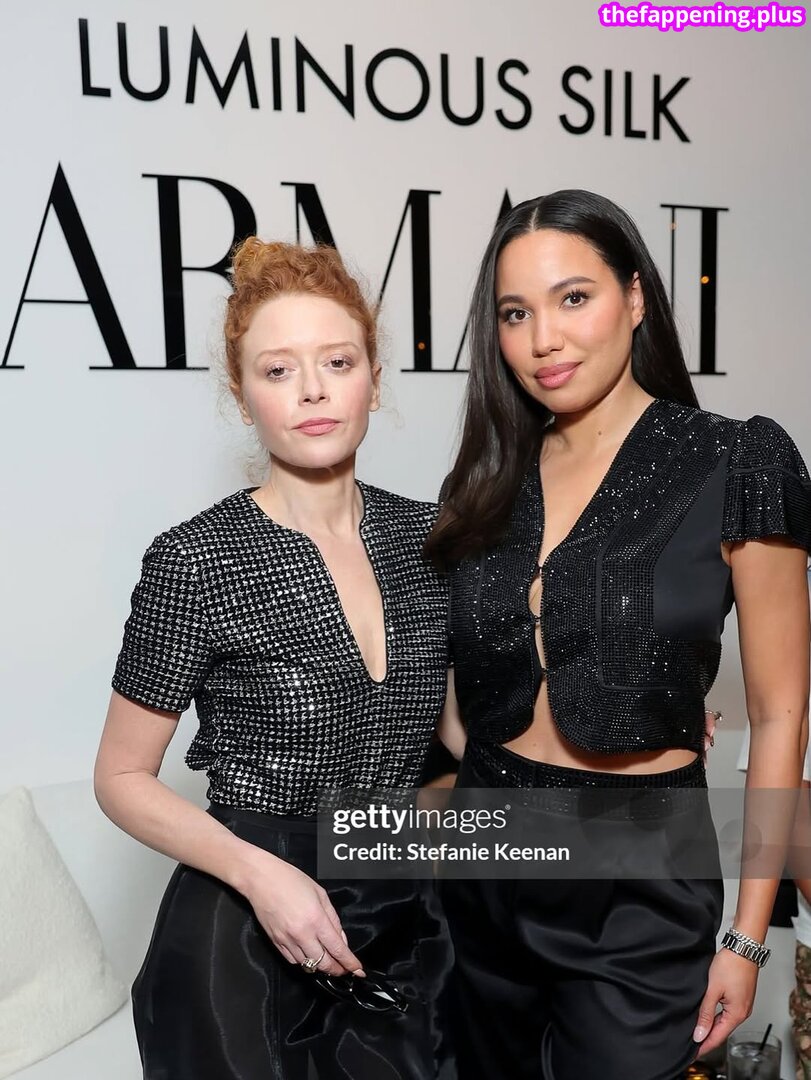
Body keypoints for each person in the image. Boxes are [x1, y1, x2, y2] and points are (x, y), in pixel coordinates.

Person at [427, 189, 811, 1079]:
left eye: (573, 298)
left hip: (639, 880)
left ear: (634, 297)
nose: (543, 339)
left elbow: (780, 713)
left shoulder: (738, 459)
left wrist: (745, 939)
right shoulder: (486, 478)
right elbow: (458, 697)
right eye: (514, 314)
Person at [94, 239, 453, 1080]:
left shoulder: (430, 539)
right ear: (242, 394)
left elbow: (464, 737)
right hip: (243, 942)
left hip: (406, 914)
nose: (313, 390)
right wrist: (262, 877)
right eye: (278, 370)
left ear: (374, 379)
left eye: (337, 362)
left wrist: (628, 730)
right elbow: (120, 778)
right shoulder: (196, 558)